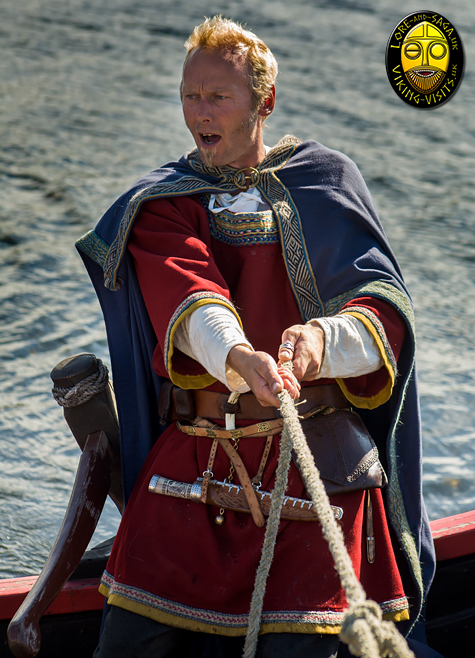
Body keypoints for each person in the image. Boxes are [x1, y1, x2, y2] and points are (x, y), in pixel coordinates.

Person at [76, 15, 440, 658]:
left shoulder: (327, 181)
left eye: (218, 96)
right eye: (191, 95)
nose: (199, 112)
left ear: (264, 102)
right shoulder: (163, 201)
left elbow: (382, 306)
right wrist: (239, 356)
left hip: (318, 468)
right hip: (196, 464)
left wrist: (322, 342)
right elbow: (185, 295)